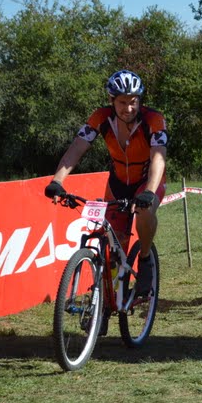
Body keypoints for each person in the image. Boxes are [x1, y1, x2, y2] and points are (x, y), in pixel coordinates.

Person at [44, 69, 168, 296]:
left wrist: (149, 191)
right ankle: (106, 300)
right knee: (111, 243)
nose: (129, 108)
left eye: (133, 102)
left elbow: (158, 156)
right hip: (117, 182)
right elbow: (76, 148)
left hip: (148, 179)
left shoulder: (154, 120)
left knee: (144, 211)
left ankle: (146, 257)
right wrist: (57, 180)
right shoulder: (101, 118)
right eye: (122, 102)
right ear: (111, 100)